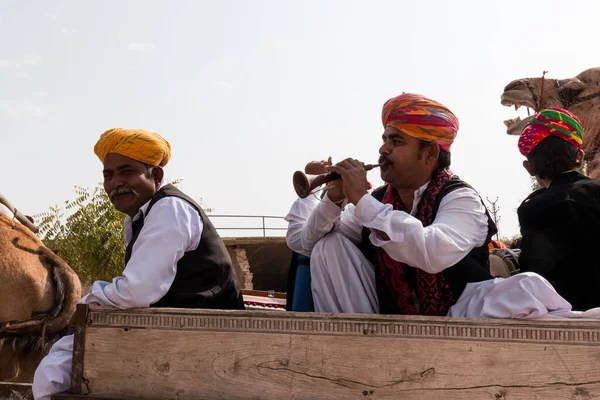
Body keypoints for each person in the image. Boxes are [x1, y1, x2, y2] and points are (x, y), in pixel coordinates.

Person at [33, 128, 244, 400]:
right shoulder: (141, 216)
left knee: (51, 374)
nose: (116, 182)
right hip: (173, 330)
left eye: (127, 172)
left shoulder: (169, 209)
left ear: (156, 175)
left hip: (199, 336)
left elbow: (137, 291)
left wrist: (84, 305)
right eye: (108, 175)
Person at [286, 93, 496, 315]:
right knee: (329, 244)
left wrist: (361, 199)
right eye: (384, 140)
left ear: (430, 153)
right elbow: (306, 245)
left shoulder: (461, 199)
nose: (383, 150)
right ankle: (357, 343)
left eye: (396, 142)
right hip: (386, 327)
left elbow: (432, 253)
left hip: (460, 330)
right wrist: (333, 199)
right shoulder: (378, 200)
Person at [516, 108, 600, 311]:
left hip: (564, 318)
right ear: (579, 156)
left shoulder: (532, 207)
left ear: (529, 167)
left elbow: (534, 275)